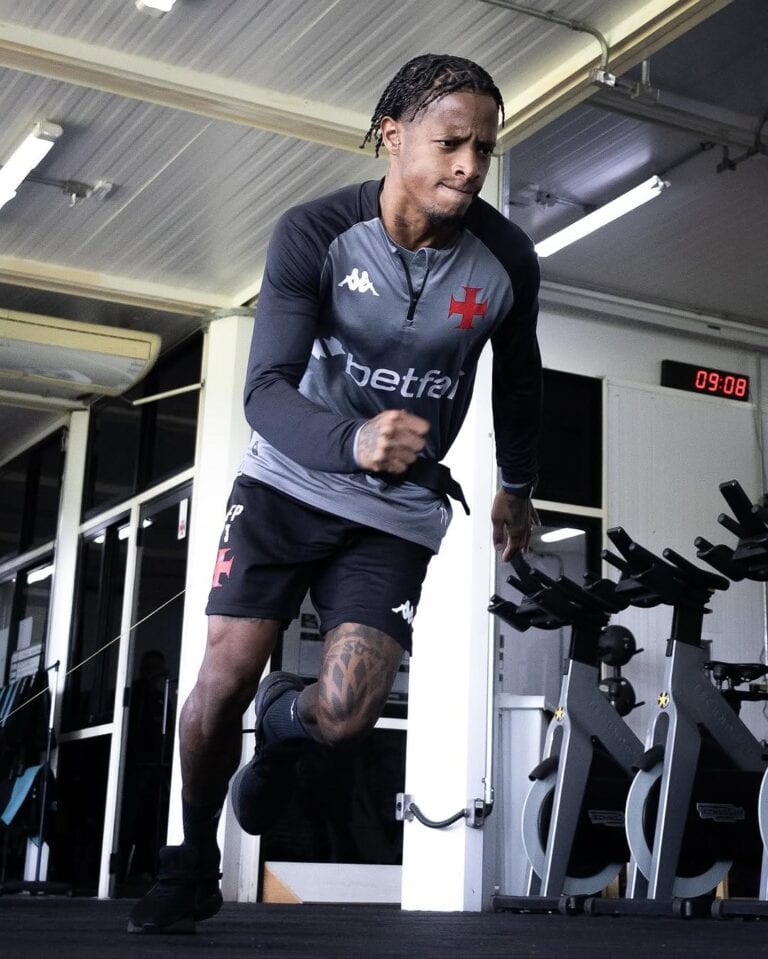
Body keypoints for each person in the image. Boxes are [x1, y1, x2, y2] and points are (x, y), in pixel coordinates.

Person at [128, 52, 542, 935]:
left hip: (396, 510)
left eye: (484, 148)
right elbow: (265, 390)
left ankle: (284, 720)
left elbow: (521, 378)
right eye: (451, 143)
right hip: (288, 482)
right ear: (393, 135)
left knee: (348, 714)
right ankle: (191, 861)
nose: (470, 165)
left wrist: (517, 484)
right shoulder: (315, 232)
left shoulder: (505, 259)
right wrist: (353, 439)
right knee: (221, 679)